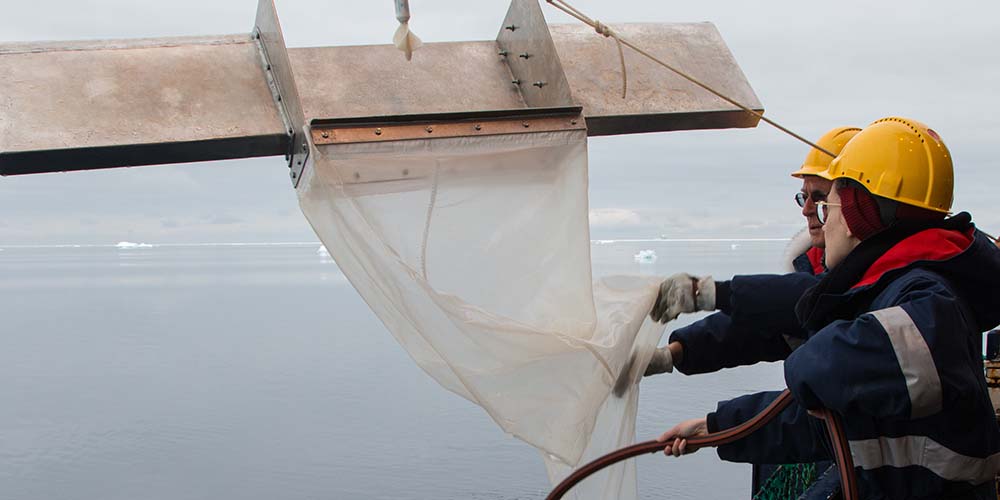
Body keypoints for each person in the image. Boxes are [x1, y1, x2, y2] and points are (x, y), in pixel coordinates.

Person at [659, 117, 1000, 499]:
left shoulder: (925, 299)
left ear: (859, 213)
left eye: (827, 203)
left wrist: (809, 354)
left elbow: (827, 364)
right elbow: (832, 421)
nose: (817, 216)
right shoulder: (901, 289)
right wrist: (715, 427)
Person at [643, 126, 858, 498]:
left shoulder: (875, 288)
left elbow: (801, 303)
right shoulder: (820, 269)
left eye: (820, 197)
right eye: (802, 197)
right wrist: (674, 355)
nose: (807, 210)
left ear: (858, 205)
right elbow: (762, 329)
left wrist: (709, 293)